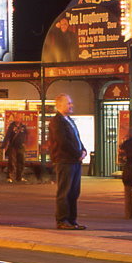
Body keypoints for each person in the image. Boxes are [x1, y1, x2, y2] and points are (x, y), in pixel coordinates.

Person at [47, 94, 87, 230]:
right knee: (65, 191)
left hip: (74, 161)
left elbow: (76, 137)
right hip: (64, 160)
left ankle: (72, 220)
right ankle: (62, 220)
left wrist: (83, 150)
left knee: (74, 191)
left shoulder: (69, 120)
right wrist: (78, 154)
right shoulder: (56, 122)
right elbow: (63, 141)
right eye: (68, 103)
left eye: (71, 103)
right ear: (59, 105)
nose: (71, 106)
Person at [1, 117, 28, 182]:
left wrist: (25, 142)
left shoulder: (23, 127)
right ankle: (10, 177)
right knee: (12, 161)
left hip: (21, 146)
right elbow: (7, 136)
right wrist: (4, 145)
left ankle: (20, 176)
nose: (18, 119)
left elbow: (26, 135)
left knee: (21, 161)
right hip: (13, 146)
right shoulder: (11, 126)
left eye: (19, 118)